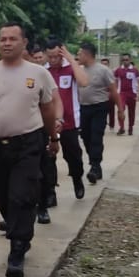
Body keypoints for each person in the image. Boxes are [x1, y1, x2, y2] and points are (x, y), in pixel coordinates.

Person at [0, 22, 59, 277]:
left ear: (24, 43)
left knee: (23, 196)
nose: (6, 43)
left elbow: (48, 109)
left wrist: (53, 138)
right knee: (1, 195)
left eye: (12, 39)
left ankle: (17, 250)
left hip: (28, 143)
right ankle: (19, 231)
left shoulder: (38, 74)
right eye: (2, 39)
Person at [43, 39, 90, 201]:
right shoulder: (43, 71)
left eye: (56, 56)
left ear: (62, 53)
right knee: (49, 158)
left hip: (70, 122)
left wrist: (71, 59)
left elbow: (84, 82)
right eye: (50, 57)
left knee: (73, 156)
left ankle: (77, 180)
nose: (53, 60)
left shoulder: (71, 68)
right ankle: (50, 192)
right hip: (49, 122)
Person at [76, 42, 121, 185]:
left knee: (96, 136)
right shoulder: (79, 70)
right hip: (83, 108)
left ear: (87, 54)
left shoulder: (103, 70)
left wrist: (120, 109)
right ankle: (95, 164)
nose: (77, 56)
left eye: (79, 53)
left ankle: (95, 167)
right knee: (85, 137)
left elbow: (113, 91)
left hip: (99, 107)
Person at [116, 53, 139, 136]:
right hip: (122, 93)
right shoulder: (118, 70)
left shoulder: (135, 70)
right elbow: (115, 82)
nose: (125, 61)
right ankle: (122, 127)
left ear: (130, 60)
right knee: (120, 110)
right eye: (123, 60)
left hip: (132, 93)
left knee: (131, 112)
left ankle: (130, 127)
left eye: (127, 60)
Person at [100, 57, 117, 131]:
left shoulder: (112, 73)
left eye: (106, 64)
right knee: (102, 111)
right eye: (103, 64)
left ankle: (112, 125)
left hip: (110, 94)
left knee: (111, 110)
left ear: (108, 64)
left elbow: (115, 84)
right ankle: (102, 124)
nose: (104, 65)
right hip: (101, 95)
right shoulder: (98, 73)